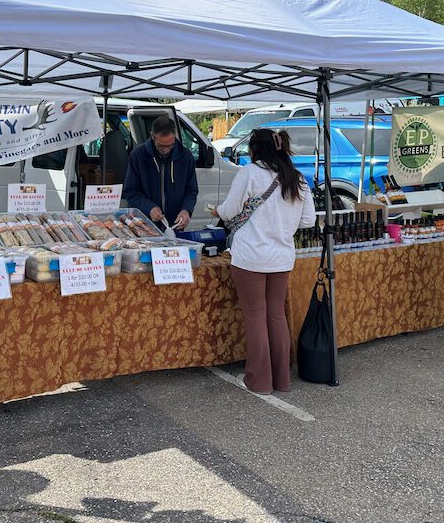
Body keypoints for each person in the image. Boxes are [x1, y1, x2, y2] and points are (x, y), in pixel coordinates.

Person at [213, 128, 316, 393]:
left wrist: (217, 211)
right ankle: (281, 380)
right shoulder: (298, 178)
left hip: (250, 258)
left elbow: (229, 212)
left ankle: (259, 381)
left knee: (255, 317)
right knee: (277, 316)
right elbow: (308, 221)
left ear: (255, 149)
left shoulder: (249, 172)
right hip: (281, 258)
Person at [124, 116, 199, 231]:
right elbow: (131, 191)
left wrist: (186, 210)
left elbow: (191, 190)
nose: (166, 150)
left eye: (170, 145)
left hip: (175, 224)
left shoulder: (186, 156)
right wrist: (149, 207)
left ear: (175, 137)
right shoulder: (138, 155)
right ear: (152, 136)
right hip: (144, 225)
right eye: (161, 145)